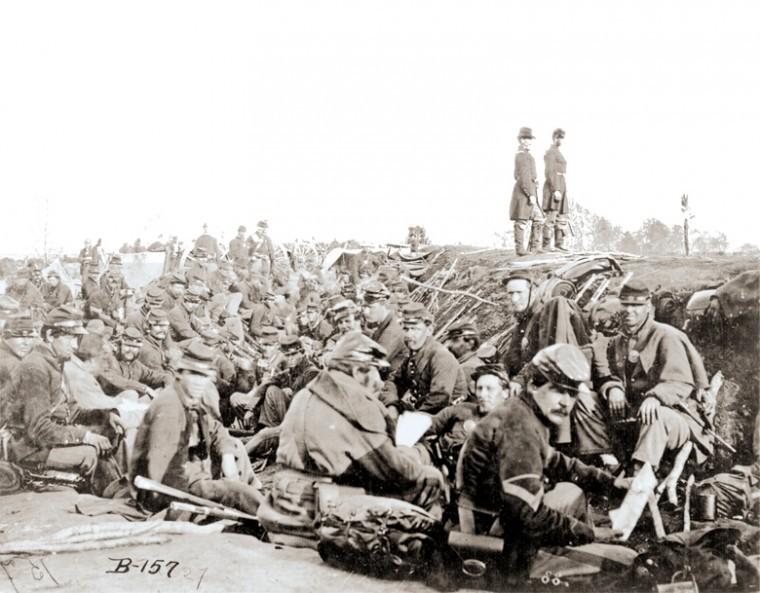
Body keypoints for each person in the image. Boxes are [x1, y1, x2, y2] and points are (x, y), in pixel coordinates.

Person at [457, 344, 630, 581]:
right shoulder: (520, 427)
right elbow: (528, 515)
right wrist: (590, 534)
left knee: (571, 490)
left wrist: (610, 483)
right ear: (533, 385)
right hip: (494, 536)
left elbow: (556, 461)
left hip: (503, 518)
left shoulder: (525, 412)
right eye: (558, 390)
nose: (566, 403)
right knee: (622, 563)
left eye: (572, 393)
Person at [275, 331, 444, 517]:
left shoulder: (306, 394)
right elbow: (399, 472)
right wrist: (412, 450)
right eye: (376, 372)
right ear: (358, 371)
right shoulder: (355, 403)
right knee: (430, 478)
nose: (380, 383)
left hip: (283, 500)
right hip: (323, 512)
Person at [572, 279, 713, 475]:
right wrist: (613, 388)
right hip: (634, 417)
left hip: (674, 418)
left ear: (648, 306)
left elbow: (680, 382)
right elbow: (607, 374)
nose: (630, 310)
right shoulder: (619, 341)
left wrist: (655, 396)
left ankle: (638, 478)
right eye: (626, 305)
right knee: (584, 400)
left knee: (656, 415)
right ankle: (609, 463)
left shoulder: (666, 336)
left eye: (636, 305)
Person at [130, 341, 262, 514]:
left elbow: (215, 428)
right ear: (180, 374)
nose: (199, 382)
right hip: (168, 490)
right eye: (194, 374)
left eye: (204, 376)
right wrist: (208, 490)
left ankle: (260, 504)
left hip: (192, 473)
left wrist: (227, 455)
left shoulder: (188, 398)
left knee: (234, 447)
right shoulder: (169, 406)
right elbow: (162, 472)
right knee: (237, 493)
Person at [0, 306, 121, 493]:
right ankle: (97, 501)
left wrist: (105, 416)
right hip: (28, 450)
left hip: (44, 443)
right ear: (49, 336)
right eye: (70, 337)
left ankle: (114, 495)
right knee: (89, 453)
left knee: (108, 436)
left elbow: (71, 411)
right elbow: (38, 429)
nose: (74, 346)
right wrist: (86, 436)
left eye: (77, 338)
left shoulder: (55, 362)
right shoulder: (34, 369)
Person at [421, 364, 510, 470]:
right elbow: (429, 425)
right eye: (479, 388)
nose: (482, 394)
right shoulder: (462, 409)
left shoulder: (508, 432)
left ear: (505, 393)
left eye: (489, 389)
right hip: (430, 459)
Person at [390, 302, 466, 415]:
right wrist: (391, 404)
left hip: (446, 419)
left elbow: (439, 400)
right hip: (424, 413)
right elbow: (394, 382)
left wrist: (409, 419)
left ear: (429, 330)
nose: (409, 335)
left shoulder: (441, 357)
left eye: (415, 329)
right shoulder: (414, 354)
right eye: (406, 329)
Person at [509, 127, 543, 256]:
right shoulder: (522, 155)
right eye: (526, 139)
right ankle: (520, 250)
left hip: (529, 189)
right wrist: (530, 194)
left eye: (530, 139)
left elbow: (519, 175)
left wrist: (534, 182)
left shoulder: (526, 155)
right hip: (524, 193)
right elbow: (522, 176)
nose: (528, 141)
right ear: (521, 140)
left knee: (538, 218)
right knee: (522, 220)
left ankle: (535, 248)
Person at [542, 128, 571, 252]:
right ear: (553, 138)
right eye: (558, 137)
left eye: (562, 138)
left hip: (562, 184)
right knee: (551, 216)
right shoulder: (550, 152)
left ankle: (559, 243)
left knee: (561, 216)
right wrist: (556, 190)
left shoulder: (558, 152)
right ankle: (547, 245)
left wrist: (561, 188)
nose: (560, 140)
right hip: (554, 185)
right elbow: (549, 172)